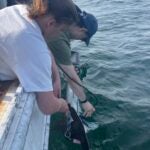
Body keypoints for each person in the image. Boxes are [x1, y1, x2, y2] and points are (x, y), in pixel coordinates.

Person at [0, 0, 79, 115]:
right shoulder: (33, 47)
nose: (61, 35)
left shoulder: (21, 11)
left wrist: (56, 77)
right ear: (51, 23)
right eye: (62, 31)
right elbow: (47, 107)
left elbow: (44, 48)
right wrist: (62, 105)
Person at [47, 6, 98, 117]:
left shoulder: (64, 19)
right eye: (83, 38)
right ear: (82, 30)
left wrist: (67, 65)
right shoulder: (59, 37)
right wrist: (84, 102)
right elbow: (71, 77)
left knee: (71, 59)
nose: (79, 40)